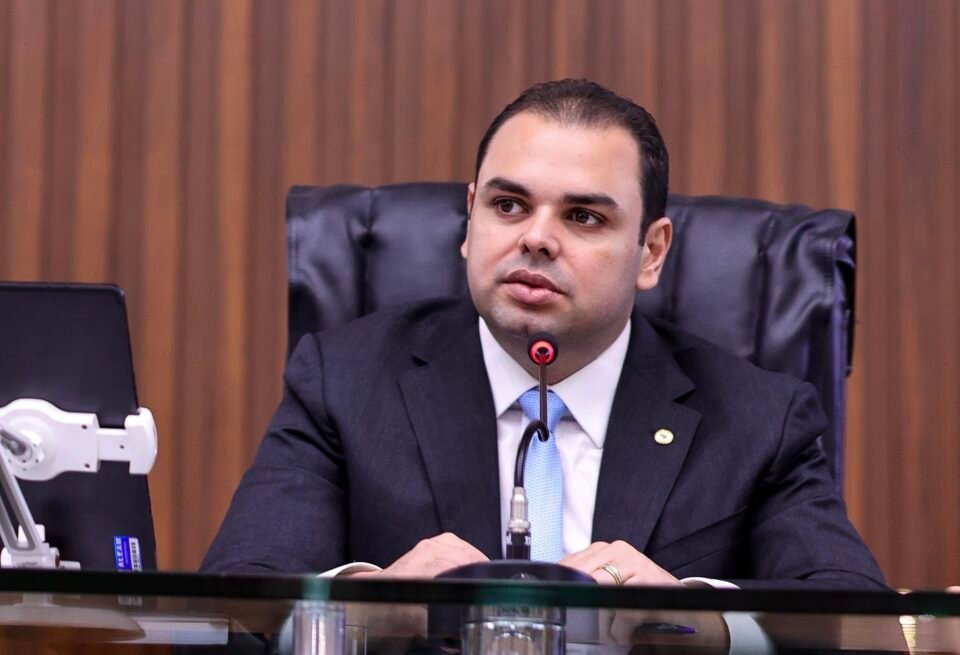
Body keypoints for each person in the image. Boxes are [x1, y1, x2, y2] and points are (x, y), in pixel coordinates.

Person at [202, 79, 885, 590]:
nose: (536, 238)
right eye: (508, 205)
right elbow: (238, 598)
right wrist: (376, 600)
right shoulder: (344, 382)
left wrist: (695, 616)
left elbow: (854, 616)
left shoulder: (760, 419)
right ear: (470, 218)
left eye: (583, 217)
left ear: (651, 252)